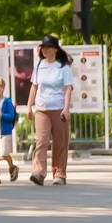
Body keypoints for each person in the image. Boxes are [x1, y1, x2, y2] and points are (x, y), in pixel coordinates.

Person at [28, 34, 74, 185]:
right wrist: (29, 106)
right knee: (41, 140)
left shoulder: (63, 67)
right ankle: (38, 172)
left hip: (59, 108)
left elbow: (68, 89)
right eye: (43, 47)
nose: (44, 50)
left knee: (60, 142)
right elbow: (34, 86)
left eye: (47, 47)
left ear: (55, 49)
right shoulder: (39, 65)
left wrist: (66, 109)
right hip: (42, 108)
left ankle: (59, 173)